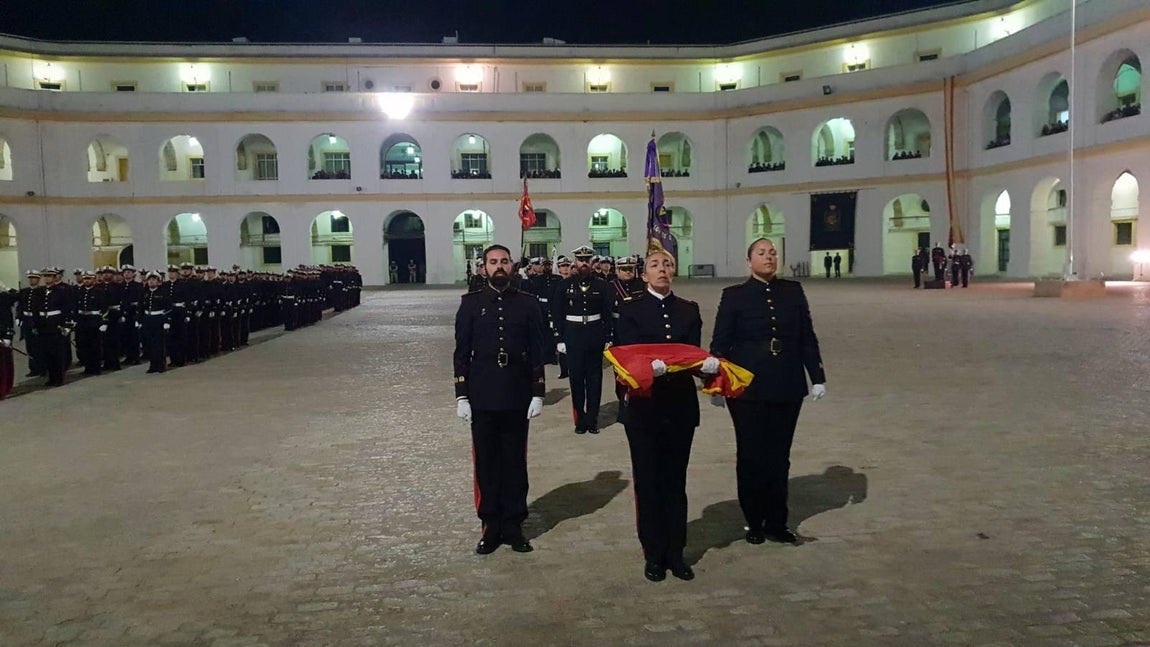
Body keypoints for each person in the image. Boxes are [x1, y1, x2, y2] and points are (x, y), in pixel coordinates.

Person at [710, 238, 827, 545]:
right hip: (748, 386)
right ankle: (753, 521)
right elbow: (721, 342)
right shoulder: (734, 296)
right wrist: (716, 385)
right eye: (761, 253)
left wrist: (817, 376)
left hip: (786, 382)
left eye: (773, 253)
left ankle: (777, 521)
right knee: (751, 455)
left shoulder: (793, 291)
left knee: (779, 456)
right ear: (748, 262)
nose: (769, 257)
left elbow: (806, 337)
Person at [615, 250, 715, 582]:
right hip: (645, 407)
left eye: (668, 265)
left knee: (675, 482)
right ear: (644, 275)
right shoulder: (630, 308)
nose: (663, 270)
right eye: (655, 265)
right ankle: (654, 553)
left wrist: (706, 368)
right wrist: (647, 367)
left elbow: (692, 353)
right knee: (648, 481)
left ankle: (676, 552)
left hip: (679, 406)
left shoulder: (688, 310)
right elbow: (623, 354)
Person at [453, 244, 545, 555]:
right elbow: (461, 353)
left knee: (515, 463)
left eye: (504, 261)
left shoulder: (528, 304)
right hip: (482, 394)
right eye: (493, 262)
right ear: (484, 267)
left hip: (517, 393)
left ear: (512, 265)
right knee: (488, 464)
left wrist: (538, 392)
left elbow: (536, 351)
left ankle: (514, 525)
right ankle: (490, 525)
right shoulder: (470, 304)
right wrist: (461, 394)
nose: (499, 266)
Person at [551, 245, 613, 435]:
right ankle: (580, 419)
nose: (584, 263)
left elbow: (607, 313)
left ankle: (592, 420)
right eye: (580, 260)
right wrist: (559, 338)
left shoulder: (602, 285)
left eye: (587, 260)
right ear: (575, 262)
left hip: (594, 334)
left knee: (595, 380)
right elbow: (556, 313)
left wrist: (608, 336)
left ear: (591, 262)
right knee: (576, 380)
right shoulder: (564, 285)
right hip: (573, 335)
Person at [140, 271, 170, 373]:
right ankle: (153, 365)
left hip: (158, 319)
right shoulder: (145, 293)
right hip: (148, 319)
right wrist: (139, 320)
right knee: (149, 344)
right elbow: (140, 308)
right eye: (150, 280)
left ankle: (161, 365)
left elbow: (168, 308)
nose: (151, 282)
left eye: (154, 280)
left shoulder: (163, 293)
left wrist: (167, 321)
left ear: (158, 282)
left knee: (159, 344)